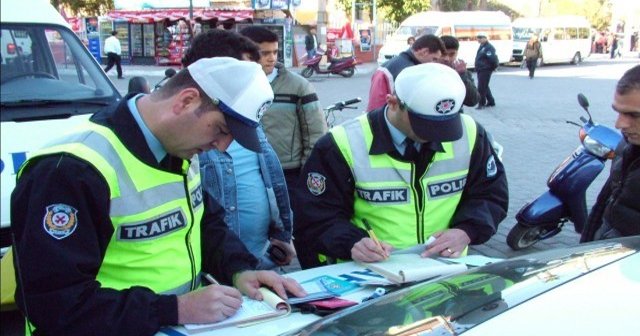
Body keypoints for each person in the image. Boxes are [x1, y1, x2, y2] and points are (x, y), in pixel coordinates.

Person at [10, 57, 306, 335]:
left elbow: (203, 222)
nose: (221, 146)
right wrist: (175, 309)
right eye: (221, 130)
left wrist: (239, 269)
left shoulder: (179, 146)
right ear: (187, 101)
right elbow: (55, 302)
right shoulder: (70, 171)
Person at [294, 63, 508, 268]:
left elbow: (490, 194)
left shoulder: (469, 133)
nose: (435, 135)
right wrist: (352, 242)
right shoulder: (342, 143)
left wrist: (467, 231)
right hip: (372, 273)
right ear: (393, 102)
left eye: (445, 126)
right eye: (424, 124)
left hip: (446, 269)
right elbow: (314, 215)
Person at [183, 29, 296, 270]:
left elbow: (270, 178)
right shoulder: (187, 144)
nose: (224, 143)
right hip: (217, 273)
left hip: (260, 260)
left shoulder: (244, 115)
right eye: (243, 76)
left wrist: (281, 233)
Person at [240, 26, 327, 269]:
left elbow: (315, 133)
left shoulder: (298, 86)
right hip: (248, 172)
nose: (270, 58)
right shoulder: (235, 86)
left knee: (296, 230)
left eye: (274, 52)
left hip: (289, 174)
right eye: (263, 53)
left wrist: (308, 172)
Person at [581, 64, 640, 242]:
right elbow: (603, 208)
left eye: (634, 115)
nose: (619, 124)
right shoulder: (626, 146)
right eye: (619, 112)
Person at [367, 34, 445, 111]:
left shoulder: (393, 66)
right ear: (425, 52)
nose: (434, 63)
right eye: (434, 59)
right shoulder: (408, 71)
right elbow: (375, 109)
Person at [440, 35, 479, 109]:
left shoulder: (461, 72)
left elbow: (473, 101)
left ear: (457, 53)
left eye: (451, 54)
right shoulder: (428, 69)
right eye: (443, 54)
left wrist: (462, 76)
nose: (447, 58)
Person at [474, 31, 499, 109]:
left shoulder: (489, 47)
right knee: (484, 86)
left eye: (481, 38)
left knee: (481, 87)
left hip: (485, 69)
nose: (479, 39)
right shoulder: (482, 46)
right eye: (478, 38)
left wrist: (493, 67)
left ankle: (481, 103)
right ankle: (491, 101)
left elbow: (492, 59)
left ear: (485, 38)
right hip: (480, 69)